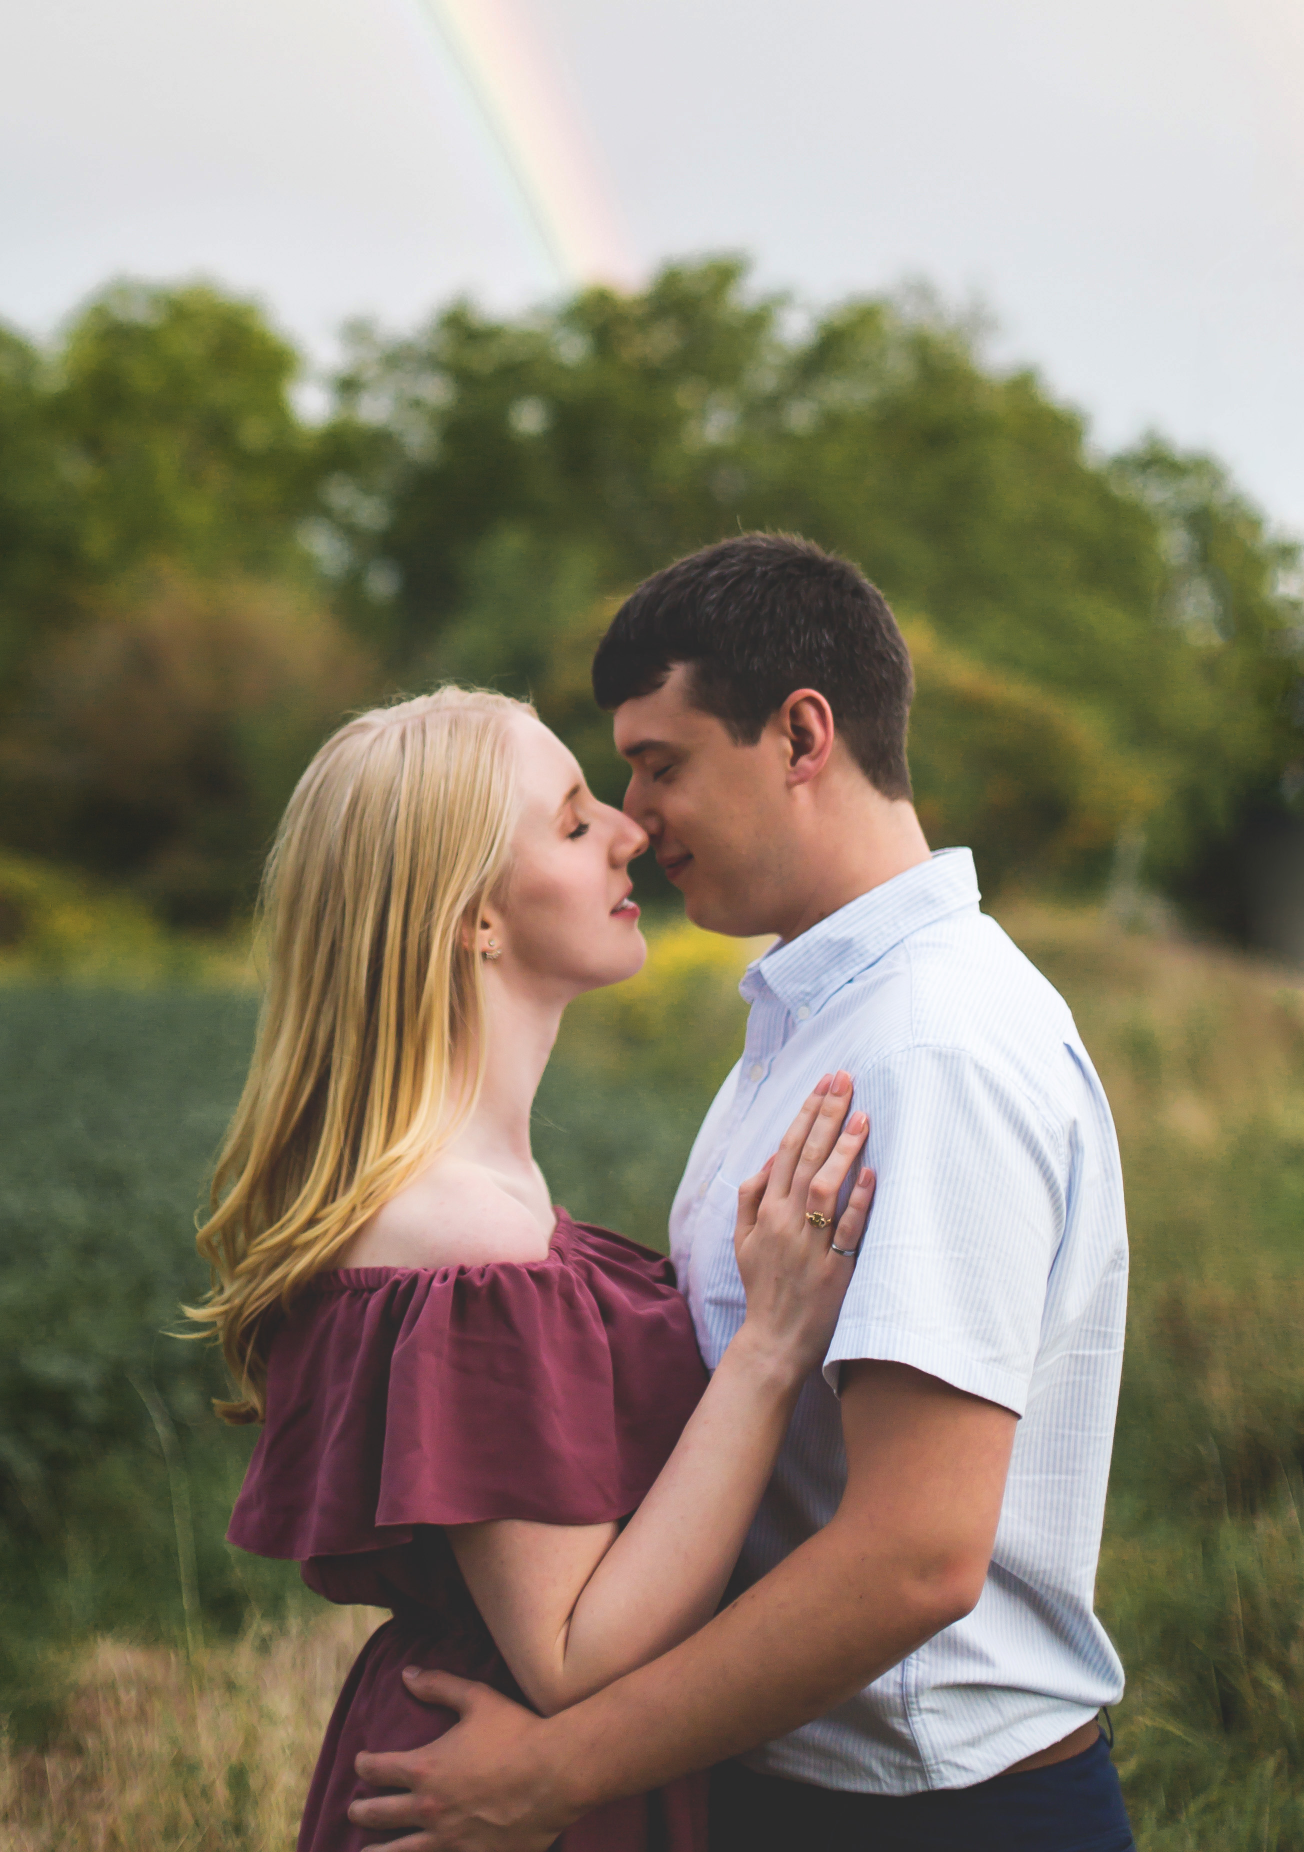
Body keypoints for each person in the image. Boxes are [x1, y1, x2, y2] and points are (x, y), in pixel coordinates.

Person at [347, 534, 1135, 1852]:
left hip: (933, 1817)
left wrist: (556, 1773)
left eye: (660, 765)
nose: (635, 819)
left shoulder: (930, 1044)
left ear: (799, 736)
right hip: (780, 1786)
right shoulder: (810, 1022)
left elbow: (915, 1557)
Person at [196, 683, 876, 1851]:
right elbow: (572, 1656)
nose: (629, 830)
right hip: (514, 1793)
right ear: (476, 921)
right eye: (572, 822)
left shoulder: (476, 1204)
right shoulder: (464, 1240)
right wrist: (768, 1350)